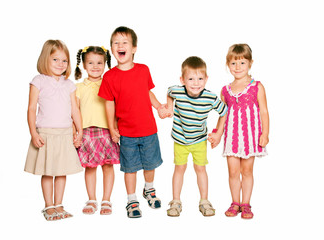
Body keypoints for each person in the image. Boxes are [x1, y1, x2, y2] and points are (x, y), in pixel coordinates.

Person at [98, 26, 165, 218]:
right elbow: (109, 105)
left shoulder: (143, 70)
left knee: (150, 164)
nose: (120, 46)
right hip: (126, 133)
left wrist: (159, 106)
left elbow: (147, 92)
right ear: (112, 49)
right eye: (116, 43)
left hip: (148, 129)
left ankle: (149, 190)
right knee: (130, 168)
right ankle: (131, 199)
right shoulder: (109, 77)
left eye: (124, 42)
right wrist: (112, 128)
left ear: (134, 48)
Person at [208, 43, 269, 219]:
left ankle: (246, 204)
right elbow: (223, 114)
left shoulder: (257, 86)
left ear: (250, 63)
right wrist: (218, 134)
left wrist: (265, 133)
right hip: (232, 137)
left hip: (250, 137)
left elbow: (264, 111)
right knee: (233, 172)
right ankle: (235, 202)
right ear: (228, 65)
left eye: (242, 63)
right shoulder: (225, 90)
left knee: (247, 171)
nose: (238, 67)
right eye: (234, 63)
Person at [24, 40, 83, 221]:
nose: (60, 64)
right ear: (45, 59)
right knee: (48, 171)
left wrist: (79, 131)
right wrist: (33, 133)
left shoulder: (69, 84)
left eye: (64, 61)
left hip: (65, 133)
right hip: (46, 133)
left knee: (62, 171)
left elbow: (74, 109)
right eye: (55, 60)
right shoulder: (38, 81)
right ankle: (48, 205)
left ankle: (59, 204)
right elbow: (31, 108)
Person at [161, 56, 227, 217]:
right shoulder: (178, 90)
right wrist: (169, 107)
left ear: (206, 79)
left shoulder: (210, 97)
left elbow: (224, 112)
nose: (196, 83)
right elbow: (169, 91)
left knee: (200, 169)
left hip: (199, 140)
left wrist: (218, 133)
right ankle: (176, 201)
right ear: (182, 80)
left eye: (200, 78)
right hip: (180, 139)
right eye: (191, 79)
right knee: (179, 168)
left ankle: (204, 201)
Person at [74, 46, 120, 215]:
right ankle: (92, 199)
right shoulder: (77, 87)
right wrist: (76, 132)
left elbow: (115, 107)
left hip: (106, 131)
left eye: (99, 62)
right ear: (84, 65)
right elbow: (75, 111)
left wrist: (115, 128)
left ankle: (106, 199)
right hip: (86, 132)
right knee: (90, 167)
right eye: (90, 62)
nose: (95, 66)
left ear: (105, 64)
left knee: (108, 166)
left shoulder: (109, 84)